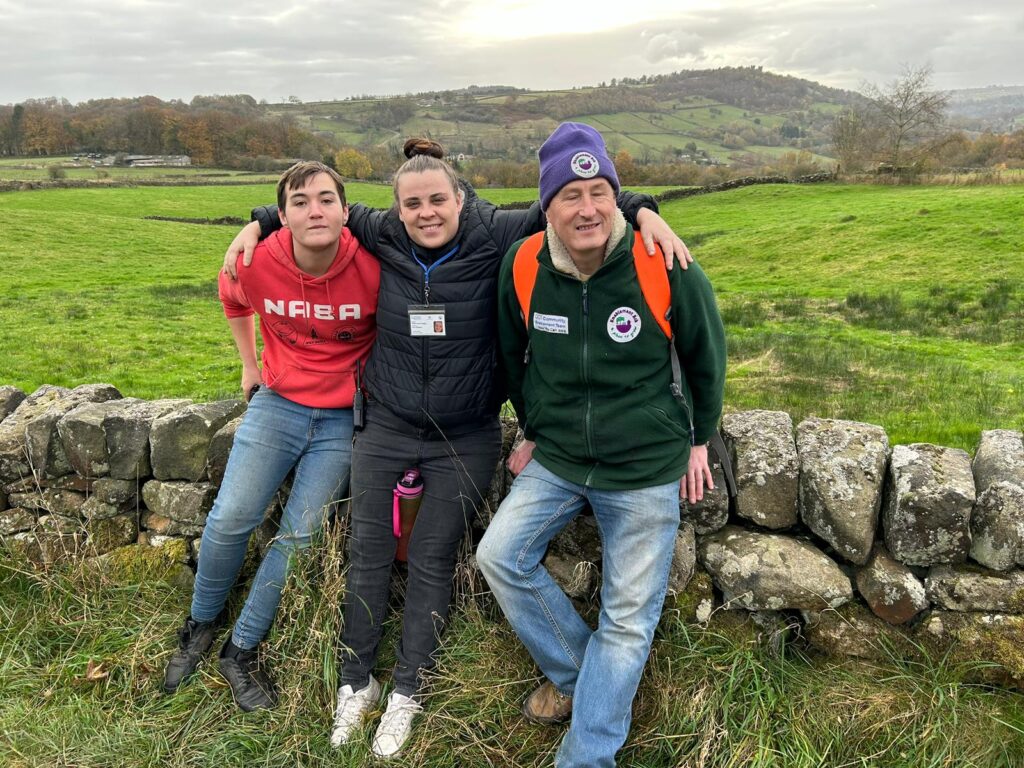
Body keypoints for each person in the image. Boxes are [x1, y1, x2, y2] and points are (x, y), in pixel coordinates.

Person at [222, 139, 690, 756]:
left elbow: (573, 199)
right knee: (368, 553)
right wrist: (256, 223)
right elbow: (316, 206)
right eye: (412, 203)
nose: (425, 212)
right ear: (398, 210)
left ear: (459, 197)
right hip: (384, 425)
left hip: (464, 434)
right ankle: (353, 685)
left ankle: (406, 694)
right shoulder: (382, 230)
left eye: (437, 199)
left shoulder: (496, 231)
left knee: (433, 561)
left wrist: (644, 209)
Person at [476, 122, 726, 768]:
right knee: (499, 556)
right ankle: (588, 683)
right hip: (558, 458)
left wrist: (700, 440)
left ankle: (587, 753)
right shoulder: (524, 264)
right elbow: (512, 355)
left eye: (599, 191)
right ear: (548, 207)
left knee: (626, 619)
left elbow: (705, 357)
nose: (586, 208)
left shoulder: (661, 261)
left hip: (646, 466)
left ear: (617, 196)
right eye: (569, 195)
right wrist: (531, 428)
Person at [162, 161, 379, 711]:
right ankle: (202, 623)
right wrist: (248, 364)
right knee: (231, 516)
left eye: (327, 199)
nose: (315, 210)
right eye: (301, 202)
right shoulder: (255, 260)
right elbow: (233, 300)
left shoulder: (373, 266)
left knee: (299, 538)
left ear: (346, 211)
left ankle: (242, 649)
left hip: (341, 417)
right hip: (278, 403)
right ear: (280, 216)